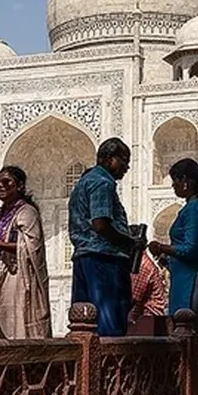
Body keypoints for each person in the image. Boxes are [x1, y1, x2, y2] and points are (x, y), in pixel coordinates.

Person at [68, 137, 139, 337]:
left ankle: (86, 366)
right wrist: (129, 241)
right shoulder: (102, 182)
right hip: (104, 259)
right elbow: (101, 225)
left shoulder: (83, 183)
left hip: (83, 257)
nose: (127, 166)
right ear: (108, 159)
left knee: (84, 321)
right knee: (108, 321)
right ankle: (110, 366)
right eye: (123, 160)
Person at [149, 159, 198, 335]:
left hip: (194, 279)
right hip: (193, 275)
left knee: (190, 332)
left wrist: (161, 247)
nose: (173, 185)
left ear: (185, 181)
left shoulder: (194, 208)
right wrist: (168, 258)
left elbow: (191, 249)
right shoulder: (196, 207)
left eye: (175, 180)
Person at [0, 166, 51, 339]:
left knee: (17, 323)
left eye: (6, 181)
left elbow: (31, 248)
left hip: (19, 277)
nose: (1, 186)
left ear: (19, 186)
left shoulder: (27, 212)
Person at [129, 250, 168, 325]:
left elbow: (133, 299)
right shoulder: (139, 262)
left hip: (148, 318)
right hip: (144, 316)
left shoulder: (141, 264)